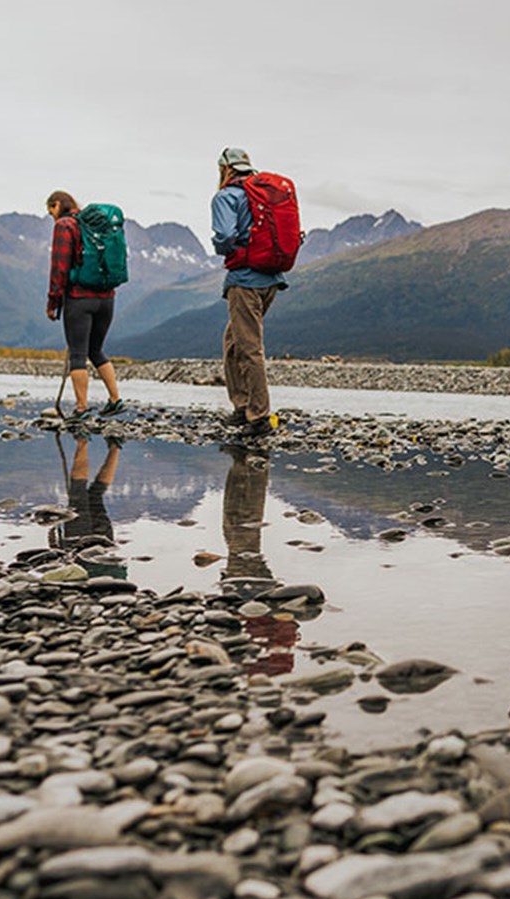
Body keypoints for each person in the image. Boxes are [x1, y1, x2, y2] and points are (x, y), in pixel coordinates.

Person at [212, 148, 288, 439]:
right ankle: (242, 406)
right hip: (272, 279)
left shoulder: (226, 196)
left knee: (249, 347)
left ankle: (258, 416)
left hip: (245, 281)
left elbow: (225, 235)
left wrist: (223, 248)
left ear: (225, 169)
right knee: (233, 341)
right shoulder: (263, 193)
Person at [220, 445, 298, 677]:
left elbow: (287, 629)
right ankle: (248, 461)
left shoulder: (272, 664)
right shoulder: (273, 663)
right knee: (239, 533)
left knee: (239, 531)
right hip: (254, 601)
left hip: (253, 600)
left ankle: (249, 460)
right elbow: (287, 629)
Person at [46, 191, 124, 421]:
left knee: (78, 354)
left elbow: (59, 268)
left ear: (57, 204)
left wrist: (53, 301)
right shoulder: (94, 226)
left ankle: (81, 408)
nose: (51, 216)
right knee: (96, 350)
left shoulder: (65, 225)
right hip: (107, 298)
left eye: (50, 210)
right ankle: (115, 400)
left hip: (79, 299)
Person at [48, 433, 127, 580]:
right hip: (77, 541)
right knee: (77, 493)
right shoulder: (78, 580)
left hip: (104, 544)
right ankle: (82, 440)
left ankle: (115, 446)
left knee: (96, 494)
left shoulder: (109, 582)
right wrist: (55, 544)